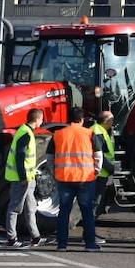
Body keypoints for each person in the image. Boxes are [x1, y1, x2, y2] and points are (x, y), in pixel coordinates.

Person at [48, 106, 103, 252]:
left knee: (64, 211)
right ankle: (90, 244)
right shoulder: (89, 133)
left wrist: (54, 172)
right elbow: (98, 155)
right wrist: (96, 170)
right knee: (87, 211)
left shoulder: (58, 134)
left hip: (64, 178)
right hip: (85, 178)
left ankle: (61, 244)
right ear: (82, 119)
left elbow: (50, 157)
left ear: (68, 119)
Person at [4, 108, 44, 248]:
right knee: (15, 208)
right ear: (37, 119)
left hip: (28, 178)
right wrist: (22, 177)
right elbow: (20, 156)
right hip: (22, 179)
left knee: (30, 207)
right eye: (42, 118)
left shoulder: (25, 131)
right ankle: (11, 239)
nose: (42, 121)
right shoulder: (26, 133)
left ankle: (36, 237)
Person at [91, 110, 117, 203]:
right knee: (96, 200)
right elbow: (99, 153)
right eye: (112, 120)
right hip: (100, 172)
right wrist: (110, 168)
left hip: (102, 171)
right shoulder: (98, 131)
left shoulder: (101, 130)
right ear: (106, 121)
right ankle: (91, 217)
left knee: (101, 198)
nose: (113, 122)